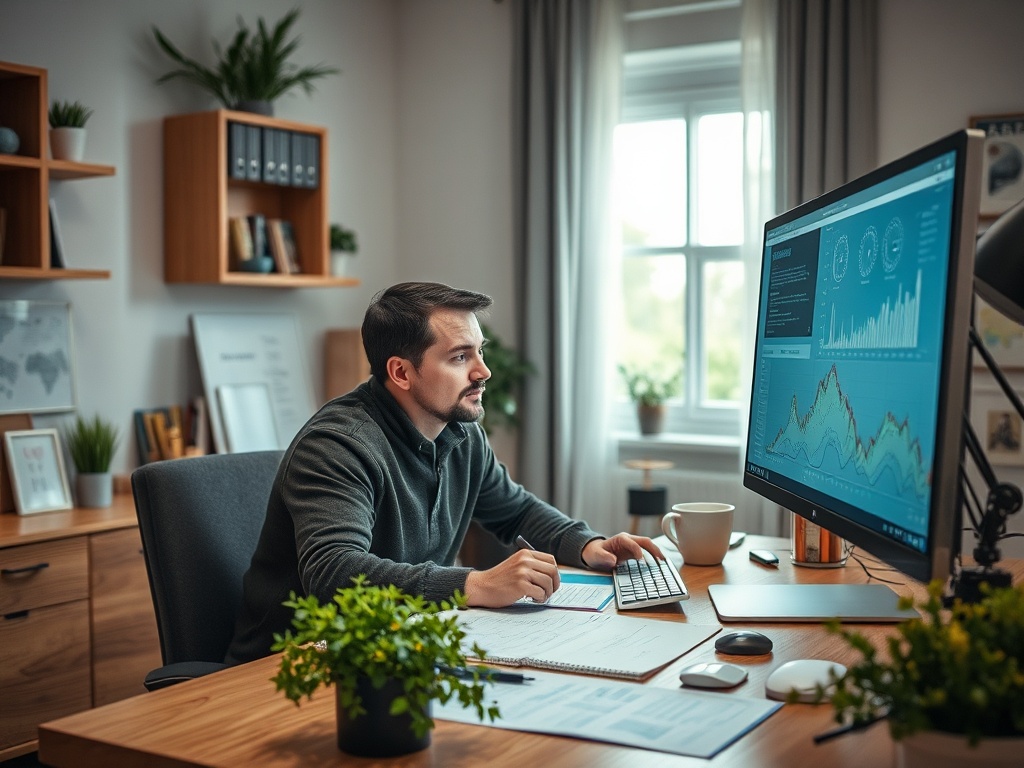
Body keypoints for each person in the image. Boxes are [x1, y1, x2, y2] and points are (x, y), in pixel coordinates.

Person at [226, 281, 662, 664]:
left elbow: (515, 510)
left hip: (401, 646)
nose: (484, 371)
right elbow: (335, 573)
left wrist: (588, 545)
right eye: (459, 357)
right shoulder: (338, 446)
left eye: (480, 352)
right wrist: (474, 584)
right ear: (401, 372)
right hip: (295, 665)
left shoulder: (459, 432)